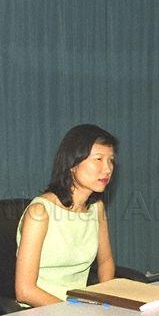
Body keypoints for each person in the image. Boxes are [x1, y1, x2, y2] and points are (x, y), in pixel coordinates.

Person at [15, 124, 117, 306]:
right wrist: (72, 311)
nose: (107, 169)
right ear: (72, 164)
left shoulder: (96, 208)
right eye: (99, 159)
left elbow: (106, 262)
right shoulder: (40, 212)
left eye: (111, 160)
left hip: (80, 308)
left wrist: (105, 299)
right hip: (40, 313)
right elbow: (24, 291)